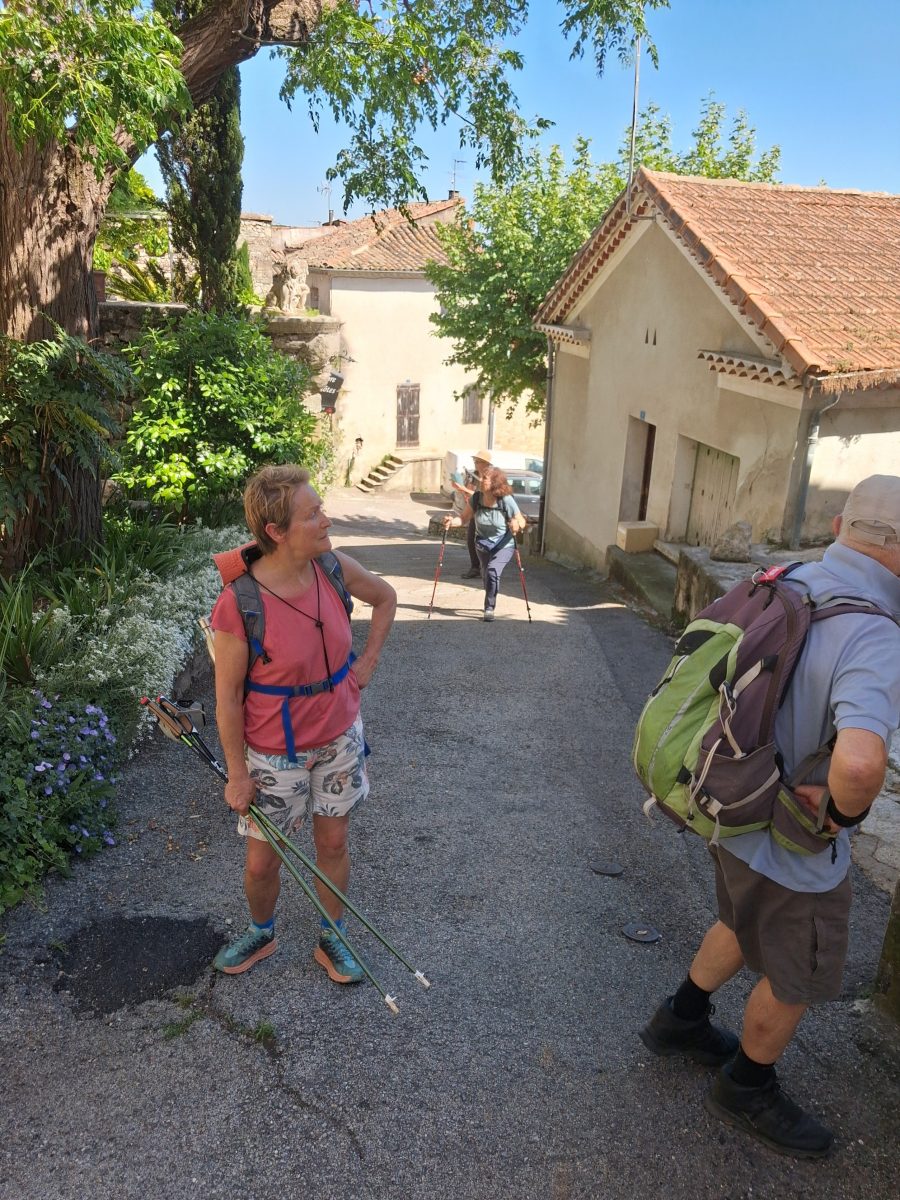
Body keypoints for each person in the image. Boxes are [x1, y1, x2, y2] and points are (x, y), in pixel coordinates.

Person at [639, 474, 900, 1158]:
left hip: (732, 802)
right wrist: (840, 815)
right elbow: (861, 765)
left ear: (841, 526)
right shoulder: (874, 632)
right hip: (792, 839)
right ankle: (747, 1086)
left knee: (738, 918)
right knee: (797, 974)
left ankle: (680, 1020)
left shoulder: (795, 579)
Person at [209, 465, 397, 983]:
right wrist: (237, 774)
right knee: (262, 862)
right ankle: (261, 931)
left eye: (321, 509)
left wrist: (367, 663)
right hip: (274, 752)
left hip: (339, 739)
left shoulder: (332, 567)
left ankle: (332, 937)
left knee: (333, 844)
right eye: (312, 514)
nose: (325, 520)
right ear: (276, 531)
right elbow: (228, 699)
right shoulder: (239, 603)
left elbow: (385, 597)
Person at [443, 465, 527, 621]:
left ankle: (489, 607)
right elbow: (463, 518)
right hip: (482, 544)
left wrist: (517, 524)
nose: (480, 480)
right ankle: (490, 592)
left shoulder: (505, 500)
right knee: (486, 574)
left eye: (485, 478)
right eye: (481, 477)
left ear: (495, 482)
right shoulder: (476, 498)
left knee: (493, 571)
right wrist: (451, 522)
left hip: (504, 544)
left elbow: (521, 520)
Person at [451, 450, 493, 579]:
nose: (475, 463)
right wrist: (460, 488)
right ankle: (475, 568)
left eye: (478, 461)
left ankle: (488, 569)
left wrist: (463, 489)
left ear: (486, 463)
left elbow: (483, 495)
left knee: (486, 543)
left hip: (488, 514)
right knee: (471, 540)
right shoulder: (475, 475)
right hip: (475, 512)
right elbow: (471, 492)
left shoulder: (491, 477)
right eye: (475, 461)